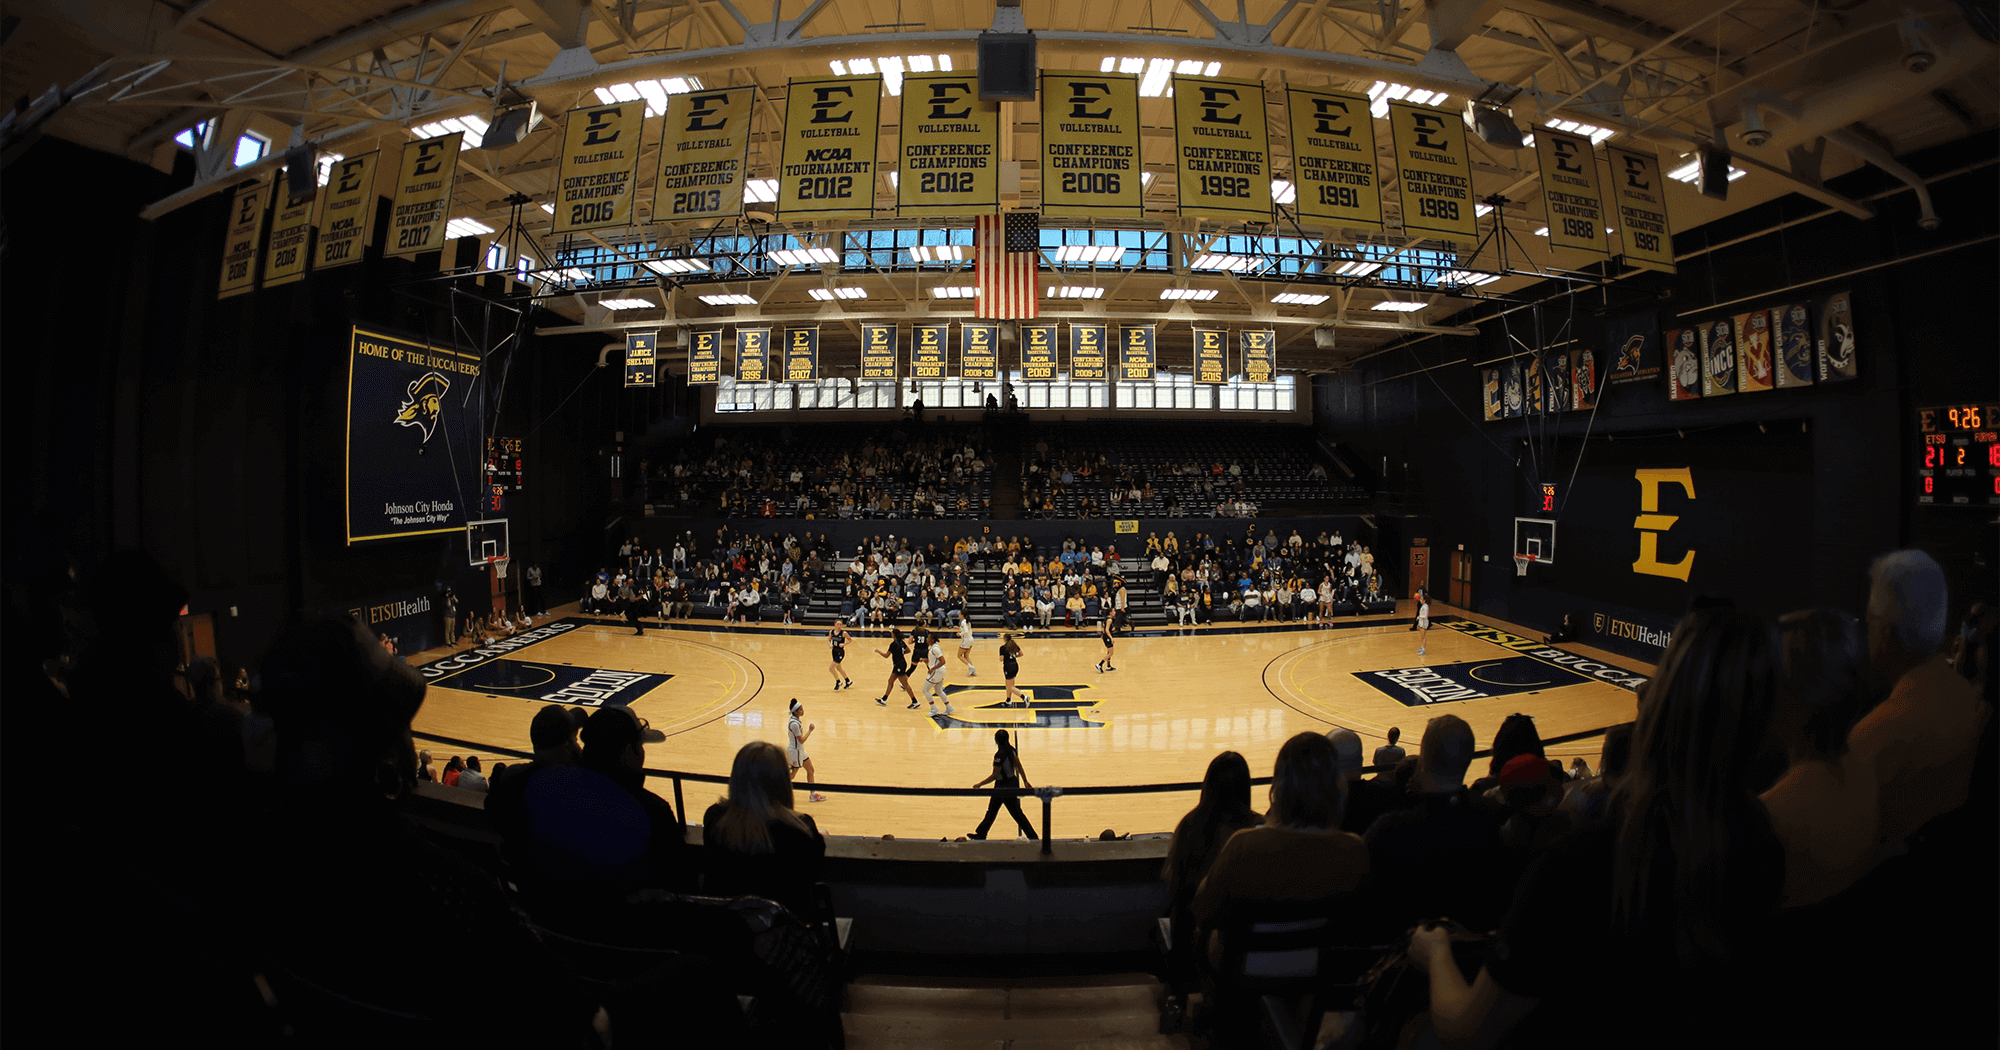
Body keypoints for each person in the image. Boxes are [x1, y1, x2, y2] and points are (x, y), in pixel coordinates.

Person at [1191, 733, 1371, 967]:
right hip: (1320, 976)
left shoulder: (1243, 846)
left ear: (1278, 785)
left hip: (1243, 977)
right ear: (1337, 787)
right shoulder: (1354, 850)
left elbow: (1202, 911)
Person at [1160, 752, 1263, 983]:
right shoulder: (1258, 829)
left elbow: (1172, 882)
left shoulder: (1190, 826)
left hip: (1199, 945)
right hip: (1249, 945)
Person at [702, 741, 827, 917]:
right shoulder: (800, 829)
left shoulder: (714, 817)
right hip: (785, 928)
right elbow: (813, 874)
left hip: (726, 926)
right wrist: (819, 838)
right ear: (783, 781)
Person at [968, 729, 1037, 840]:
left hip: (1003, 786)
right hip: (1012, 782)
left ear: (996, 740)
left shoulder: (999, 755)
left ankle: (1033, 836)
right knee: (994, 810)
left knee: (1015, 813)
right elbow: (1018, 766)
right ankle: (981, 833)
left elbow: (995, 775)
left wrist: (980, 784)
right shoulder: (1012, 750)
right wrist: (1025, 781)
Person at [786, 699, 827, 803]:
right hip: (795, 752)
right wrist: (810, 731)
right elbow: (801, 740)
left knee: (810, 770)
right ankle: (775, 790)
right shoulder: (794, 724)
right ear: (795, 711)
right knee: (792, 775)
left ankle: (813, 794)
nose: (802, 710)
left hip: (800, 751)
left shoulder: (796, 721)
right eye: (800, 709)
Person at [874, 626, 919, 709]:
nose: (891, 634)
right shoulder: (902, 642)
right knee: (890, 681)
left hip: (899, 665)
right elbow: (908, 650)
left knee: (905, 684)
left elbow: (886, 655)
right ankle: (884, 699)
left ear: (894, 635)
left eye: (892, 633)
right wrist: (901, 653)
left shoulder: (893, 644)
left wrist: (878, 651)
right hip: (900, 664)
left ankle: (915, 701)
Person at [922, 629, 955, 717]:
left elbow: (943, 661)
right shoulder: (934, 647)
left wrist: (932, 668)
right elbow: (935, 659)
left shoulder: (935, 648)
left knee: (925, 690)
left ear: (932, 640)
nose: (927, 639)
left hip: (937, 671)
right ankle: (949, 708)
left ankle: (934, 709)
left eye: (928, 638)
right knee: (938, 690)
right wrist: (925, 660)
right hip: (940, 671)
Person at [999, 633, 1026, 706]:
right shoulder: (1014, 645)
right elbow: (1021, 654)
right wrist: (1014, 656)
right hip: (1015, 665)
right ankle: (1008, 700)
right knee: (1010, 684)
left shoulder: (1002, 648)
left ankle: (1024, 697)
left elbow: (1001, 659)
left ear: (1005, 639)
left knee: (1009, 687)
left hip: (1008, 667)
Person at [826, 621, 853, 691]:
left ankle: (838, 681)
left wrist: (844, 644)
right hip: (834, 651)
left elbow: (850, 640)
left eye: (841, 624)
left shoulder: (844, 633)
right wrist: (830, 645)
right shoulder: (831, 632)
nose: (839, 626)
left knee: (831, 668)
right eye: (838, 624)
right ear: (835, 625)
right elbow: (828, 640)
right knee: (839, 668)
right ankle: (848, 680)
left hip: (840, 652)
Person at [1415, 590, 1430, 656]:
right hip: (1421, 622)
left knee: (1423, 637)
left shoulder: (1425, 607)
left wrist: (1419, 617)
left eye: (1421, 599)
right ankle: (1422, 647)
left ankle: (1423, 650)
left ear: (1424, 600)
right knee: (1422, 637)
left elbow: (1425, 616)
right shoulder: (1423, 606)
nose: (1420, 600)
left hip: (1424, 623)